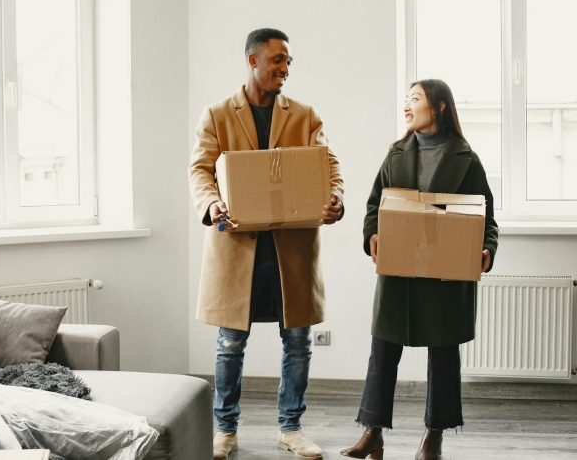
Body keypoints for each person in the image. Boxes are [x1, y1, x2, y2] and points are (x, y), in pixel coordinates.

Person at [189, 28, 345, 460]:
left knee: (298, 341)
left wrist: (336, 200)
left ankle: (291, 429)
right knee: (229, 344)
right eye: (278, 60)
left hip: (290, 248)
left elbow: (328, 164)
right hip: (237, 248)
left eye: (288, 61)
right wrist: (213, 203)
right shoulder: (218, 114)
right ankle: (224, 430)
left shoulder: (305, 114)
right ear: (252, 60)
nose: (285, 68)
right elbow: (200, 170)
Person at [340, 79, 499, 460]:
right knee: (383, 350)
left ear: (440, 106)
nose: (407, 107)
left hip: (445, 275)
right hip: (399, 273)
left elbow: (486, 218)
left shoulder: (466, 158)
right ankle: (372, 433)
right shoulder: (396, 153)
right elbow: (373, 206)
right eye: (406, 100)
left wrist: (486, 250)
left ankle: (435, 437)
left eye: (415, 99)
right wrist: (372, 236)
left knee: (443, 356)